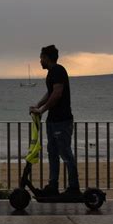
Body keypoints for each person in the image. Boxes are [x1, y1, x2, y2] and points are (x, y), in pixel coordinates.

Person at [29, 45, 81, 196]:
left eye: (41, 57)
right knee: (52, 152)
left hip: (62, 120)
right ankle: (53, 185)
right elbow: (50, 92)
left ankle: (74, 188)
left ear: (46, 57)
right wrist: (38, 105)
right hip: (52, 121)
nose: (40, 60)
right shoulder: (52, 73)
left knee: (65, 153)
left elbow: (57, 94)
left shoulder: (58, 70)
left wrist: (42, 110)